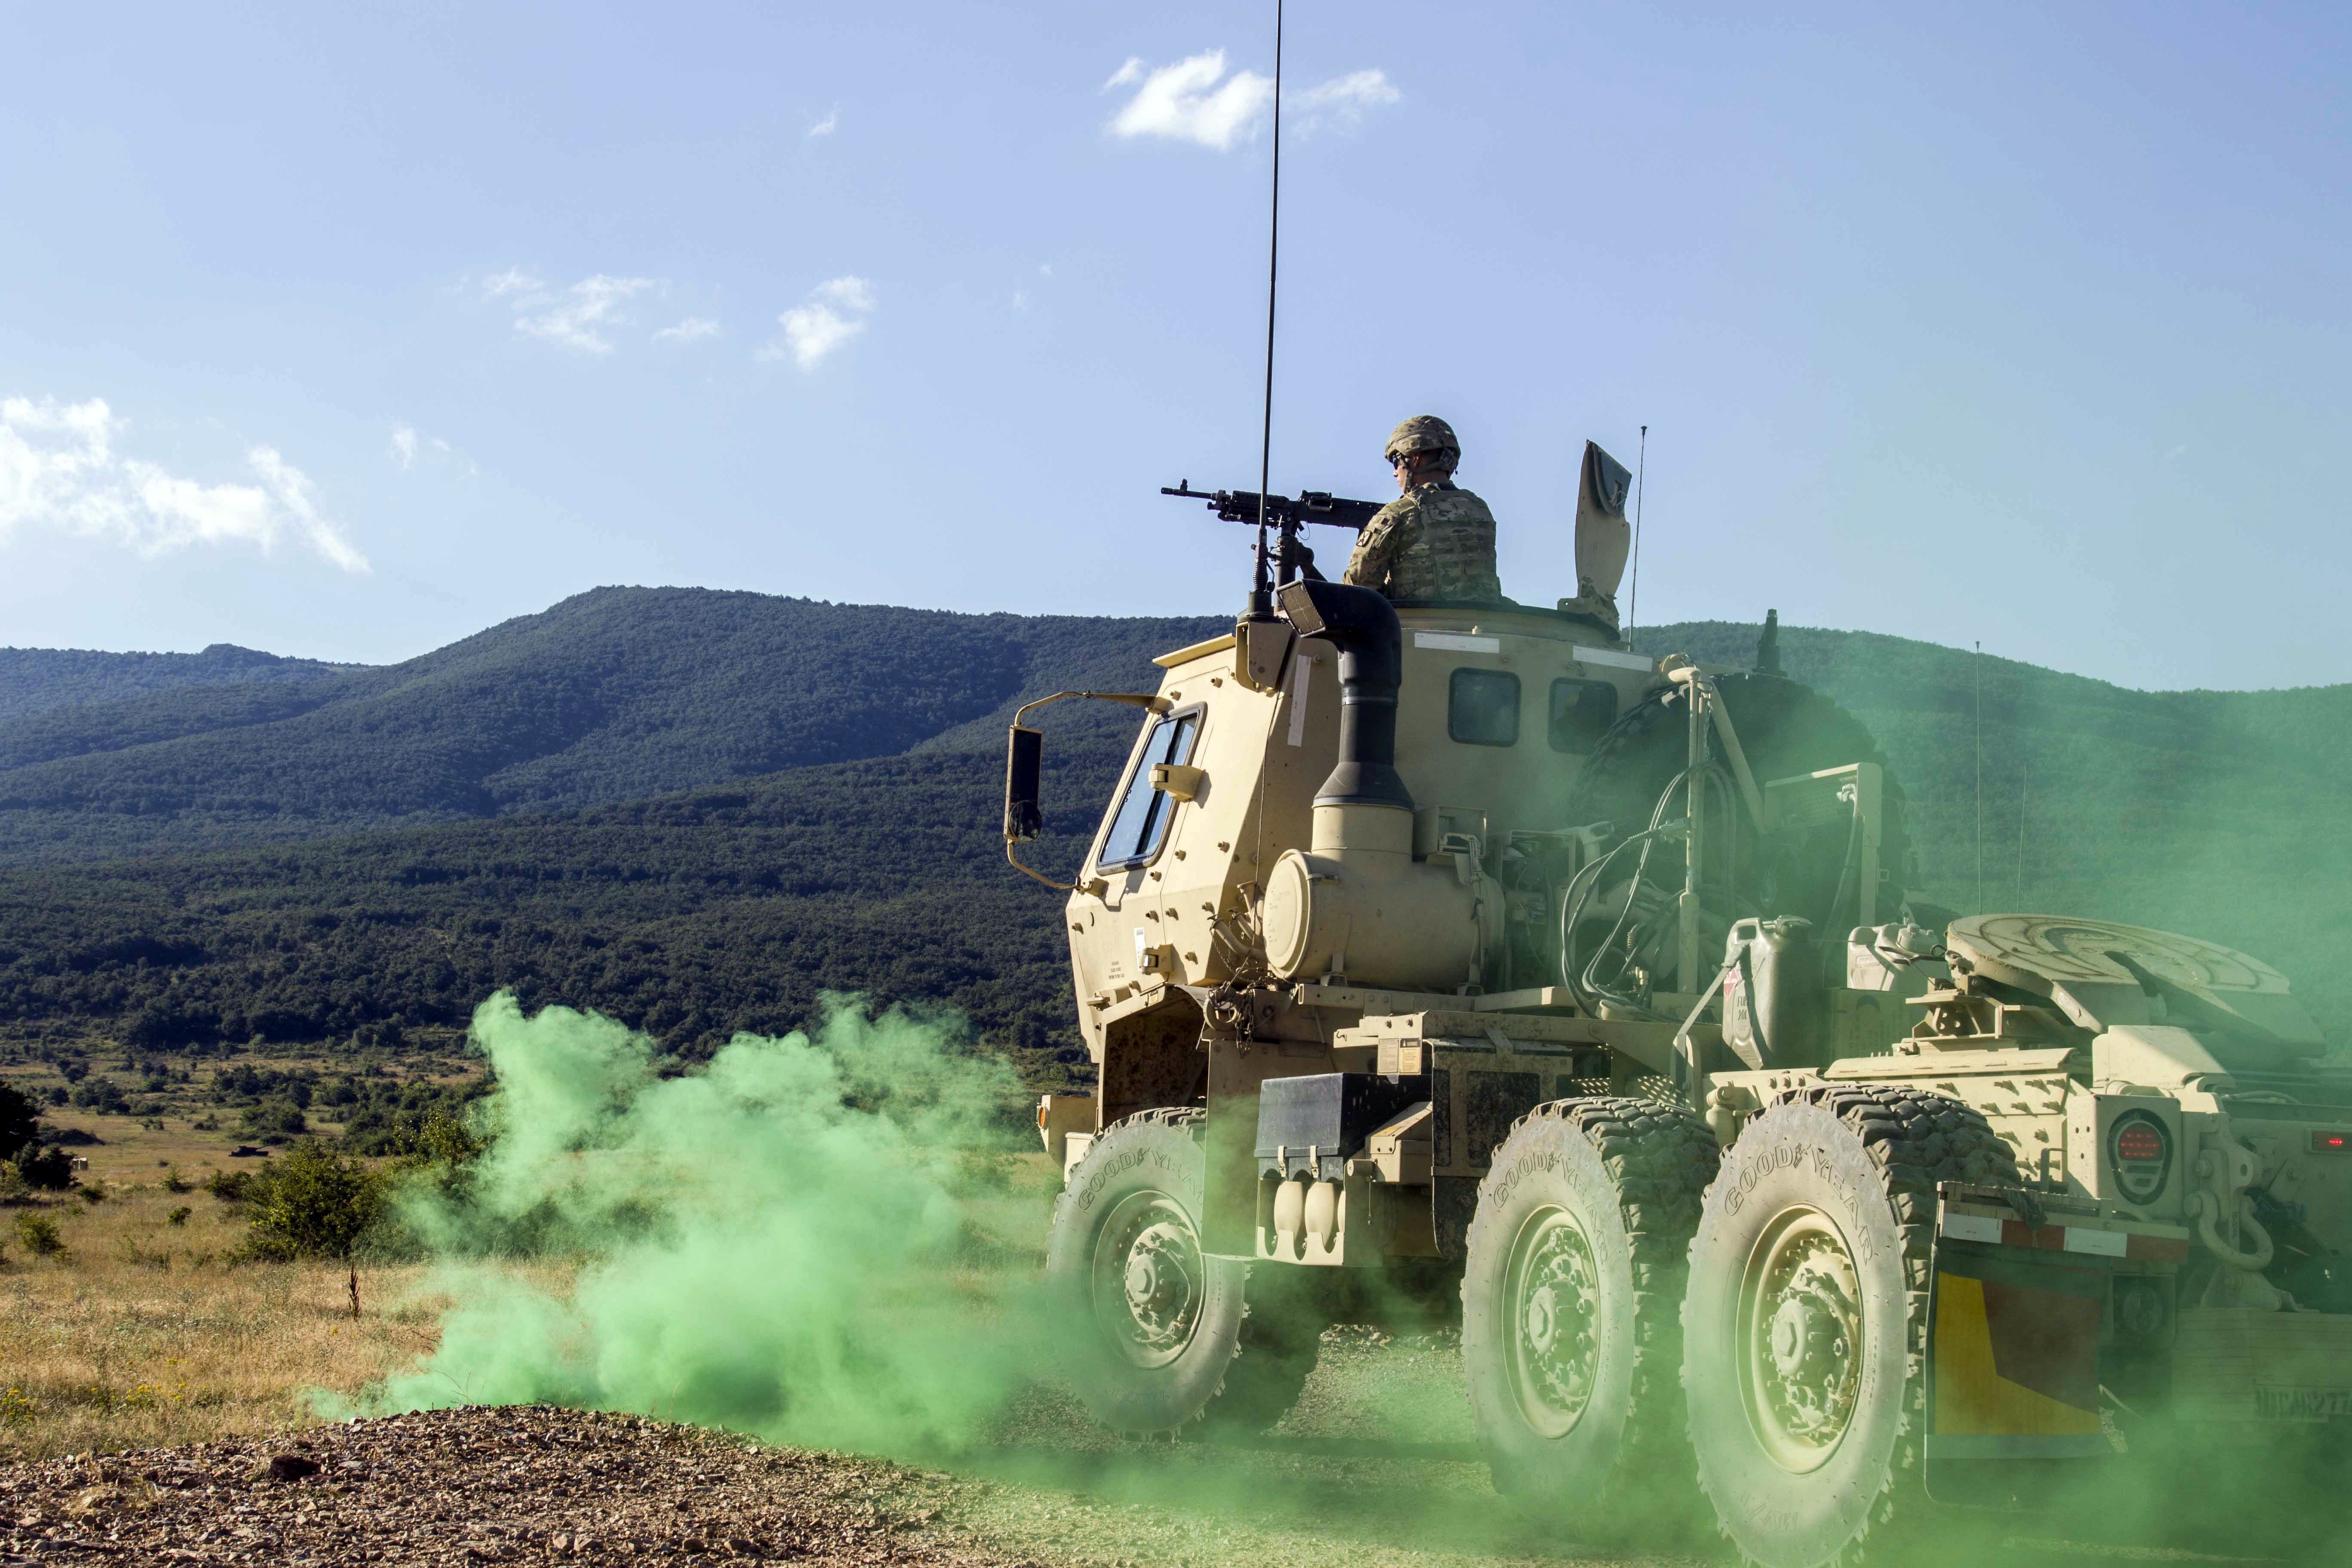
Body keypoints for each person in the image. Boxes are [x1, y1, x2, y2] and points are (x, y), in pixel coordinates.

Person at [1339, 416, 1502, 603]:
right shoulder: (1479, 509)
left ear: (1414, 459)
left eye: (1396, 462)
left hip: (1416, 628)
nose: (1395, 472)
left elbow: (1356, 587)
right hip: (1482, 629)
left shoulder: (1398, 513)